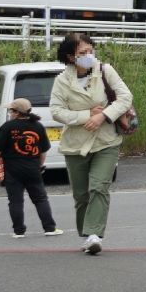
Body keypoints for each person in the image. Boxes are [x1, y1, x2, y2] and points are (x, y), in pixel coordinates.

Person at [48, 33, 132, 255]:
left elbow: (125, 97)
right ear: (70, 57)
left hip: (106, 140)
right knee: (81, 194)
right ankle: (86, 235)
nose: (89, 55)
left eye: (90, 50)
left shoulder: (105, 70)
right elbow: (56, 111)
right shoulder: (62, 81)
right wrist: (86, 115)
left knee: (99, 186)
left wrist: (102, 115)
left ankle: (95, 234)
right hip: (75, 144)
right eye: (82, 53)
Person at [0, 98, 59, 238]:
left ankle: (19, 231)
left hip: (12, 169)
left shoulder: (8, 127)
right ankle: (50, 228)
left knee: (15, 200)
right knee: (40, 199)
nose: (10, 113)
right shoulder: (38, 126)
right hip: (33, 168)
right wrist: (39, 165)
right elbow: (43, 150)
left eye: (11, 110)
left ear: (16, 113)